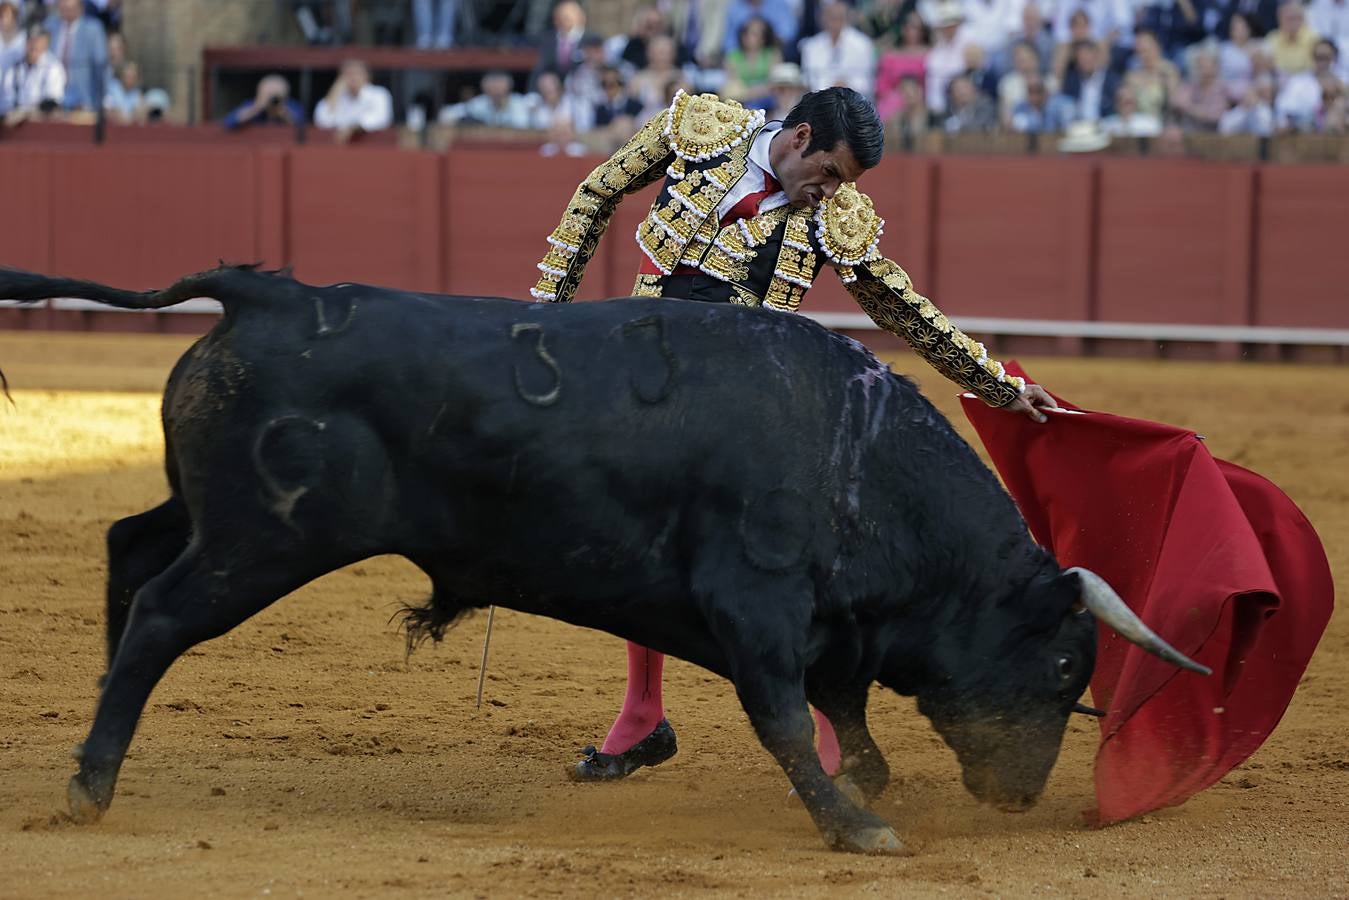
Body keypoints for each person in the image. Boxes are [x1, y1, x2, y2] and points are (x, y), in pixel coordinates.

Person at [529, 87, 1057, 781]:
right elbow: (595, 194)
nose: (831, 191)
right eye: (829, 172)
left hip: (745, 405)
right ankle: (642, 714)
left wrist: (1000, 386)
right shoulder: (700, 131)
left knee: (777, 556)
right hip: (646, 380)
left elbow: (902, 308)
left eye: (845, 183)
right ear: (798, 136)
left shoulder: (836, 218)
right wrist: (540, 321)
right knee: (638, 542)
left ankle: (829, 721)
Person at [43, 0, 104, 110]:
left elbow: (101, 66)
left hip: (83, 98)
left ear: (80, 7)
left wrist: (100, 100)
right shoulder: (49, 26)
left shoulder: (93, 29)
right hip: (52, 96)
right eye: (64, 6)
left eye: (71, 7)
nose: (67, 9)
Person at [314, 59, 393, 142]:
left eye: (356, 73)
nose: (352, 78)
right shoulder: (338, 96)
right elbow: (322, 120)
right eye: (347, 74)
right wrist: (335, 91)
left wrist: (353, 128)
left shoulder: (378, 94)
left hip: (371, 145)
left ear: (367, 76)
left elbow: (381, 118)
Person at [222, 74, 305, 129]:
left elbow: (303, 126)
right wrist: (256, 108)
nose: (272, 99)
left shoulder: (292, 106)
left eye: (276, 95)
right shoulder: (251, 105)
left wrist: (284, 113)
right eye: (268, 93)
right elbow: (228, 122)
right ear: (259, 94)